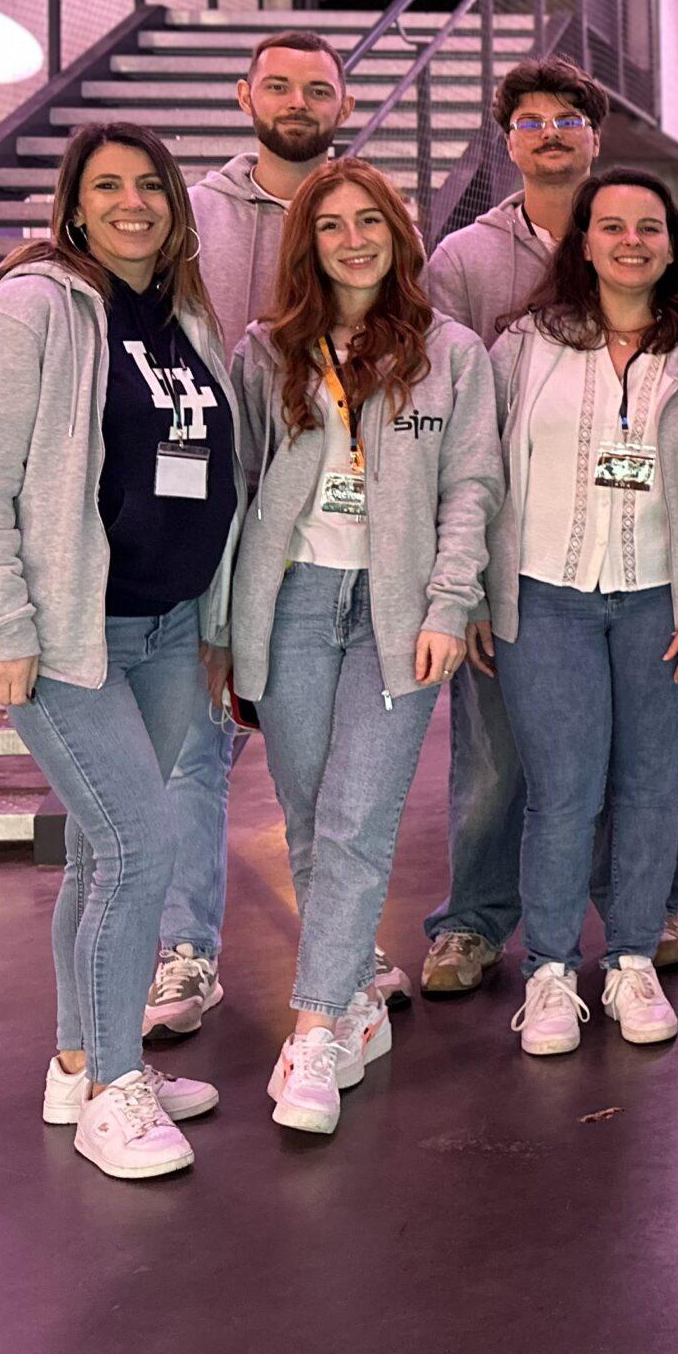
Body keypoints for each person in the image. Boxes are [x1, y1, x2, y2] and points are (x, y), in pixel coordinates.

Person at [0, 123, 242, 1180]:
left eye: (150, 185)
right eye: (107, 186)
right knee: (138, 849)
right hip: (72, 636)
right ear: (72, 204)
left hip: (165, 628)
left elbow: (209, 477)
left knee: (97, 852)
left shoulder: (185, 316)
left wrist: (210, 626)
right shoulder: (29, 308)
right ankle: (115, 1084)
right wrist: (4, 628)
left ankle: (78, 1059)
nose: (133, 203)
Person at [229, 161, 499, 1135]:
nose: (353, 239)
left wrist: (447, 603)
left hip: (397, 613)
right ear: (307, 243)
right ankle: (354, 1004)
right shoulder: (267, 352)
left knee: (354, 815)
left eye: (370, 221)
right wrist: (226, 631)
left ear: (398, 233)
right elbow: (241, 490)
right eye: (332, 224)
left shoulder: (450, 352)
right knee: (305, 816)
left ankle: (309, 1034)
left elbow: (470, 490)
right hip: (291, 601)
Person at [417, 57, 678, 994]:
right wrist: (468, 577)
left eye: (568, 118)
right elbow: (450, 419)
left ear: (595, 137)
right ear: (507, 142)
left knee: (637, 751)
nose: (549, 133)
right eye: (529, 120)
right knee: (499, 758)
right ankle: (474, 923)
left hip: (643, 560)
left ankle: (642, 911)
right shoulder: (462, 263)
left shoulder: (645, 245)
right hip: (529, 564)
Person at [475, 170, 678, 1055]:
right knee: (562, 795)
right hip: (544, 598)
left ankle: (632, 957)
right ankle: (552, 972)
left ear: (672, 244)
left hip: (660, 604)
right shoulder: (523, 347)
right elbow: (480, 472)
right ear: (585, 242)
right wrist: (483, 591)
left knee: (646, 787)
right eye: (613, 226)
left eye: (649, 226)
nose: (631, 240)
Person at [148, 30, 356, 1040]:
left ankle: (342, 950)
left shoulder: (361, 211)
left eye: (317, 87)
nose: (297, 100)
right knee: (198, 745)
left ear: (343, 104)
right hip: (207, 504)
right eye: (278, 83)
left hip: (323, 521)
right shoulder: (190, 209)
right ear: (244, 93)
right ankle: (187, 955)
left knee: (319, 755)